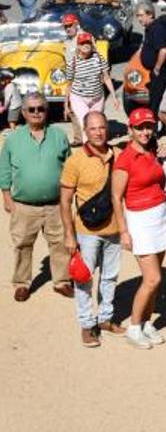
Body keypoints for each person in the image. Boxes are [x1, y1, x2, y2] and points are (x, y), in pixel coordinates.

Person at [1, 93, 71, 301]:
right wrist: (6, 196)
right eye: (31, 109)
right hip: (24, 205)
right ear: (23, 112)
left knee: (59, 243)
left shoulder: (59, 135)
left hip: (55, 204)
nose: (36, 113)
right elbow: (4, 169)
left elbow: (69, 168)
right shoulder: (13, 139)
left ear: (47, 111)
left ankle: (62, 281)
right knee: (22, 244)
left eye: (41, 108)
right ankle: (22, 283)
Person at [112, 108, 166, 348]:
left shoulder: (153, 150)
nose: (145, 131)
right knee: (152, 278)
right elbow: (116, 197)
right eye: (140, 127)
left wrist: (165, 152)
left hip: (160, 215)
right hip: (140, 220)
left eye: (148, 126)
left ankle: (147, 322)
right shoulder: (125, 159)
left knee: (156, 281)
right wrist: (123, 231)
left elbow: (163, 180)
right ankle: (134, 326)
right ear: (131, 130)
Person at [59, 112, 120, 347]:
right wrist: (68, 234)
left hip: (113, 228)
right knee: (84, 279)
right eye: (93, 128)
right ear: (85, 131)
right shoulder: (75, 160)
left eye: (102, 128)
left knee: (110, 276)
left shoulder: (118, 154)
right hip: (86, 230)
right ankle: (86, 324)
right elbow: (64, 201)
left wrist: (161, 146)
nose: (98, 132)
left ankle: (105, 319)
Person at [65, 31, 118, 140]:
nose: (86, 45)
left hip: (97, 98)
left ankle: (99, 147)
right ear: (78, 46)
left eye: (88, 43)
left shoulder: (99, 58)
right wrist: (66, 104)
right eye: (83, 43)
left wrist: (114, 96)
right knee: (86, 125)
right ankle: (88, 151)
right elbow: (69, 85)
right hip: (79, 98)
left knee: (97, 124)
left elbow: (106, 78)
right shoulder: (73, 62)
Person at [135, 2, 166, 118]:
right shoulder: (149, 28)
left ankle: (153, 129)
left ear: (150, 15)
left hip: (161, 72)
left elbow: (163, 50)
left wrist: (157, 68)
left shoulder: (157, 29)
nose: (139, 19)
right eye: (137, 16)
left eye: (140, 15)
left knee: (156, 102)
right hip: (155, 72)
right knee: (155, 99)